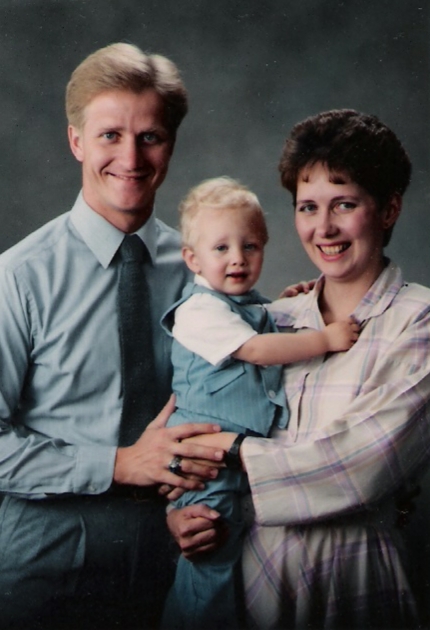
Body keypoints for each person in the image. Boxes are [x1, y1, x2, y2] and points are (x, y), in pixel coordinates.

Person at [167, 109, 430, 629]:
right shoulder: (274, 319)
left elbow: (361, 466)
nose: (323, 227)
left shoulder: (416, 320)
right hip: (251, 567)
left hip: (351, 574)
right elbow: (193, 419)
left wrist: (237, 452)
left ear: (389, 209)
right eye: (308, 207)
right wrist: (182, 509)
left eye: (345, 204)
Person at [0, 42, 225, 630]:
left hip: (173, 550)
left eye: (149, 136)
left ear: (170, 145)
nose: (130, 156)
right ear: (76, 141)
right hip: (44, 559)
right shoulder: (18, 277)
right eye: (109, 136)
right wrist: (118, 464)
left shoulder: (205, 269)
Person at [161, 176, 358, 629]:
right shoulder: (199, 311)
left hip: (239, 463)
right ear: (191, 258)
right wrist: (324, 337)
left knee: (238, 566)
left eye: (250, 247)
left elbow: (264, 327)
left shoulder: (247, 307)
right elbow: (256, 349)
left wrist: (286, 306)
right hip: (204, 465)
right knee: (210, 566)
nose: (238, 259)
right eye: (221, 248)